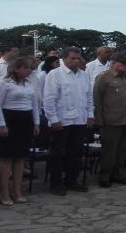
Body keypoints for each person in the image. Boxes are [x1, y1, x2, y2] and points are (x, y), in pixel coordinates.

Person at [42, 47, 93, 196]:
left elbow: (88, 96)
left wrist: (90, 114)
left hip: (79, 119)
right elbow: (49, 99)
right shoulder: (55, 74)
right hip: (61, 121)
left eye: (78, 58)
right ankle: (56, 183)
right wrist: (53, 119)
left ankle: (71, 180)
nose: (76, 61)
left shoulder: (84, 75)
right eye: (72, 58)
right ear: (64, 59)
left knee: (76, 152)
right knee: (57, 154)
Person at [0, 56, 40, 205]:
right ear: (16, 69)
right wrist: (1, 124)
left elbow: (35, 104)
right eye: (25, 67)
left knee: (20, 157)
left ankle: (17, 190)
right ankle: (4, 192)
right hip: (10, 120)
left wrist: (36, 123)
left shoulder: (30, 84)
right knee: (7, 158)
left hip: (25, 121)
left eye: (29, 68)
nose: (29, 70)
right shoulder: (4, 83)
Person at [93, 53, 126, 188]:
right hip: (111, 121)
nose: (125, 67)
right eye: (122, 64)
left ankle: (118, 174)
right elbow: (97, 100)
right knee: (109, 152)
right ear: (114, 63)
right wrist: (99, 120)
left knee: (122, 152)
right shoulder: (103, 78)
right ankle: (105, 176)